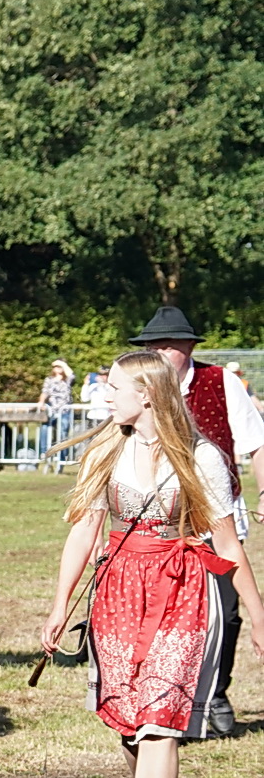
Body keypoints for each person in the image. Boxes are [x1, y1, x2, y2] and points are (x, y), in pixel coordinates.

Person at [41, 351, 264, 778]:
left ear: (146, 395)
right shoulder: (105, 451)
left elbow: (228, 545)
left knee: (161, 719)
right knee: (129, 721)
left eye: (114, 387)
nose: (105, 395)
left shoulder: (201, 457)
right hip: (119, 589)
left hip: (182, 590)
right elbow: (85, 532)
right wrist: (58, 603)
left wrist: (259, 618)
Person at [130, 306, 264, 736]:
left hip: (216, 517)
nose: (161, 352)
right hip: (159, 522)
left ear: (189, 347)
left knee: (224, 611)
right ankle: (171, 702)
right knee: (167, 612)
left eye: (169, 344)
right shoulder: (137, 388)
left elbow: (256, 442)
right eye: (153, 346)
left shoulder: (221, 382)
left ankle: (216, 692)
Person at [36, 359, 75, 456]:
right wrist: (41, 402)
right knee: (45, 429)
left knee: (62, 433)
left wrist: (62, 363)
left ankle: (62, 456)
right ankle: (44, 452)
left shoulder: (67, 380)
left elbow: (72, 375)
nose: (58, 368)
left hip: (65, 410)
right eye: (56, 366)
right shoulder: (49, 379)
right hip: (51, 410)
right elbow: (45, 392)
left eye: (60, 366)